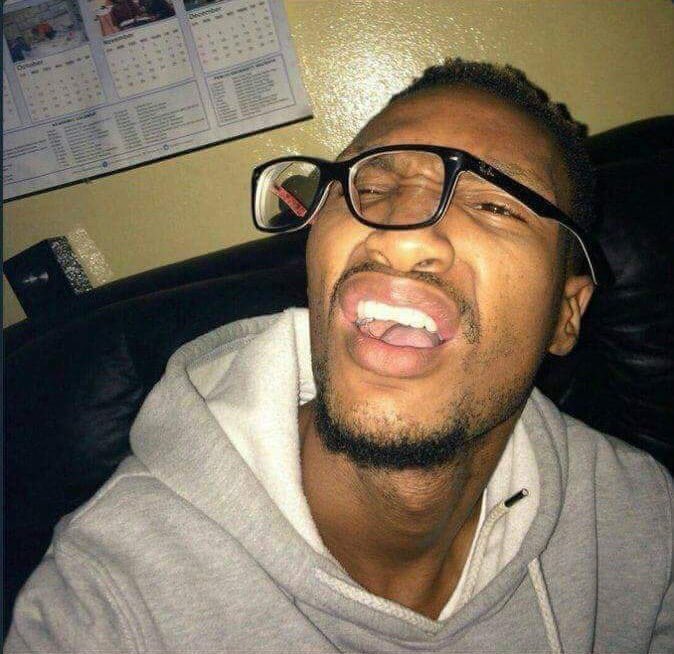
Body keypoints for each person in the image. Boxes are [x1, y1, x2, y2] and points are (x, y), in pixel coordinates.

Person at [5, 59, 673, 652]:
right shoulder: (112, 599)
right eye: (371, 188)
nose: (402, 237)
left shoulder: (639, 519)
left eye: (495, 204)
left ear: (566, 313)